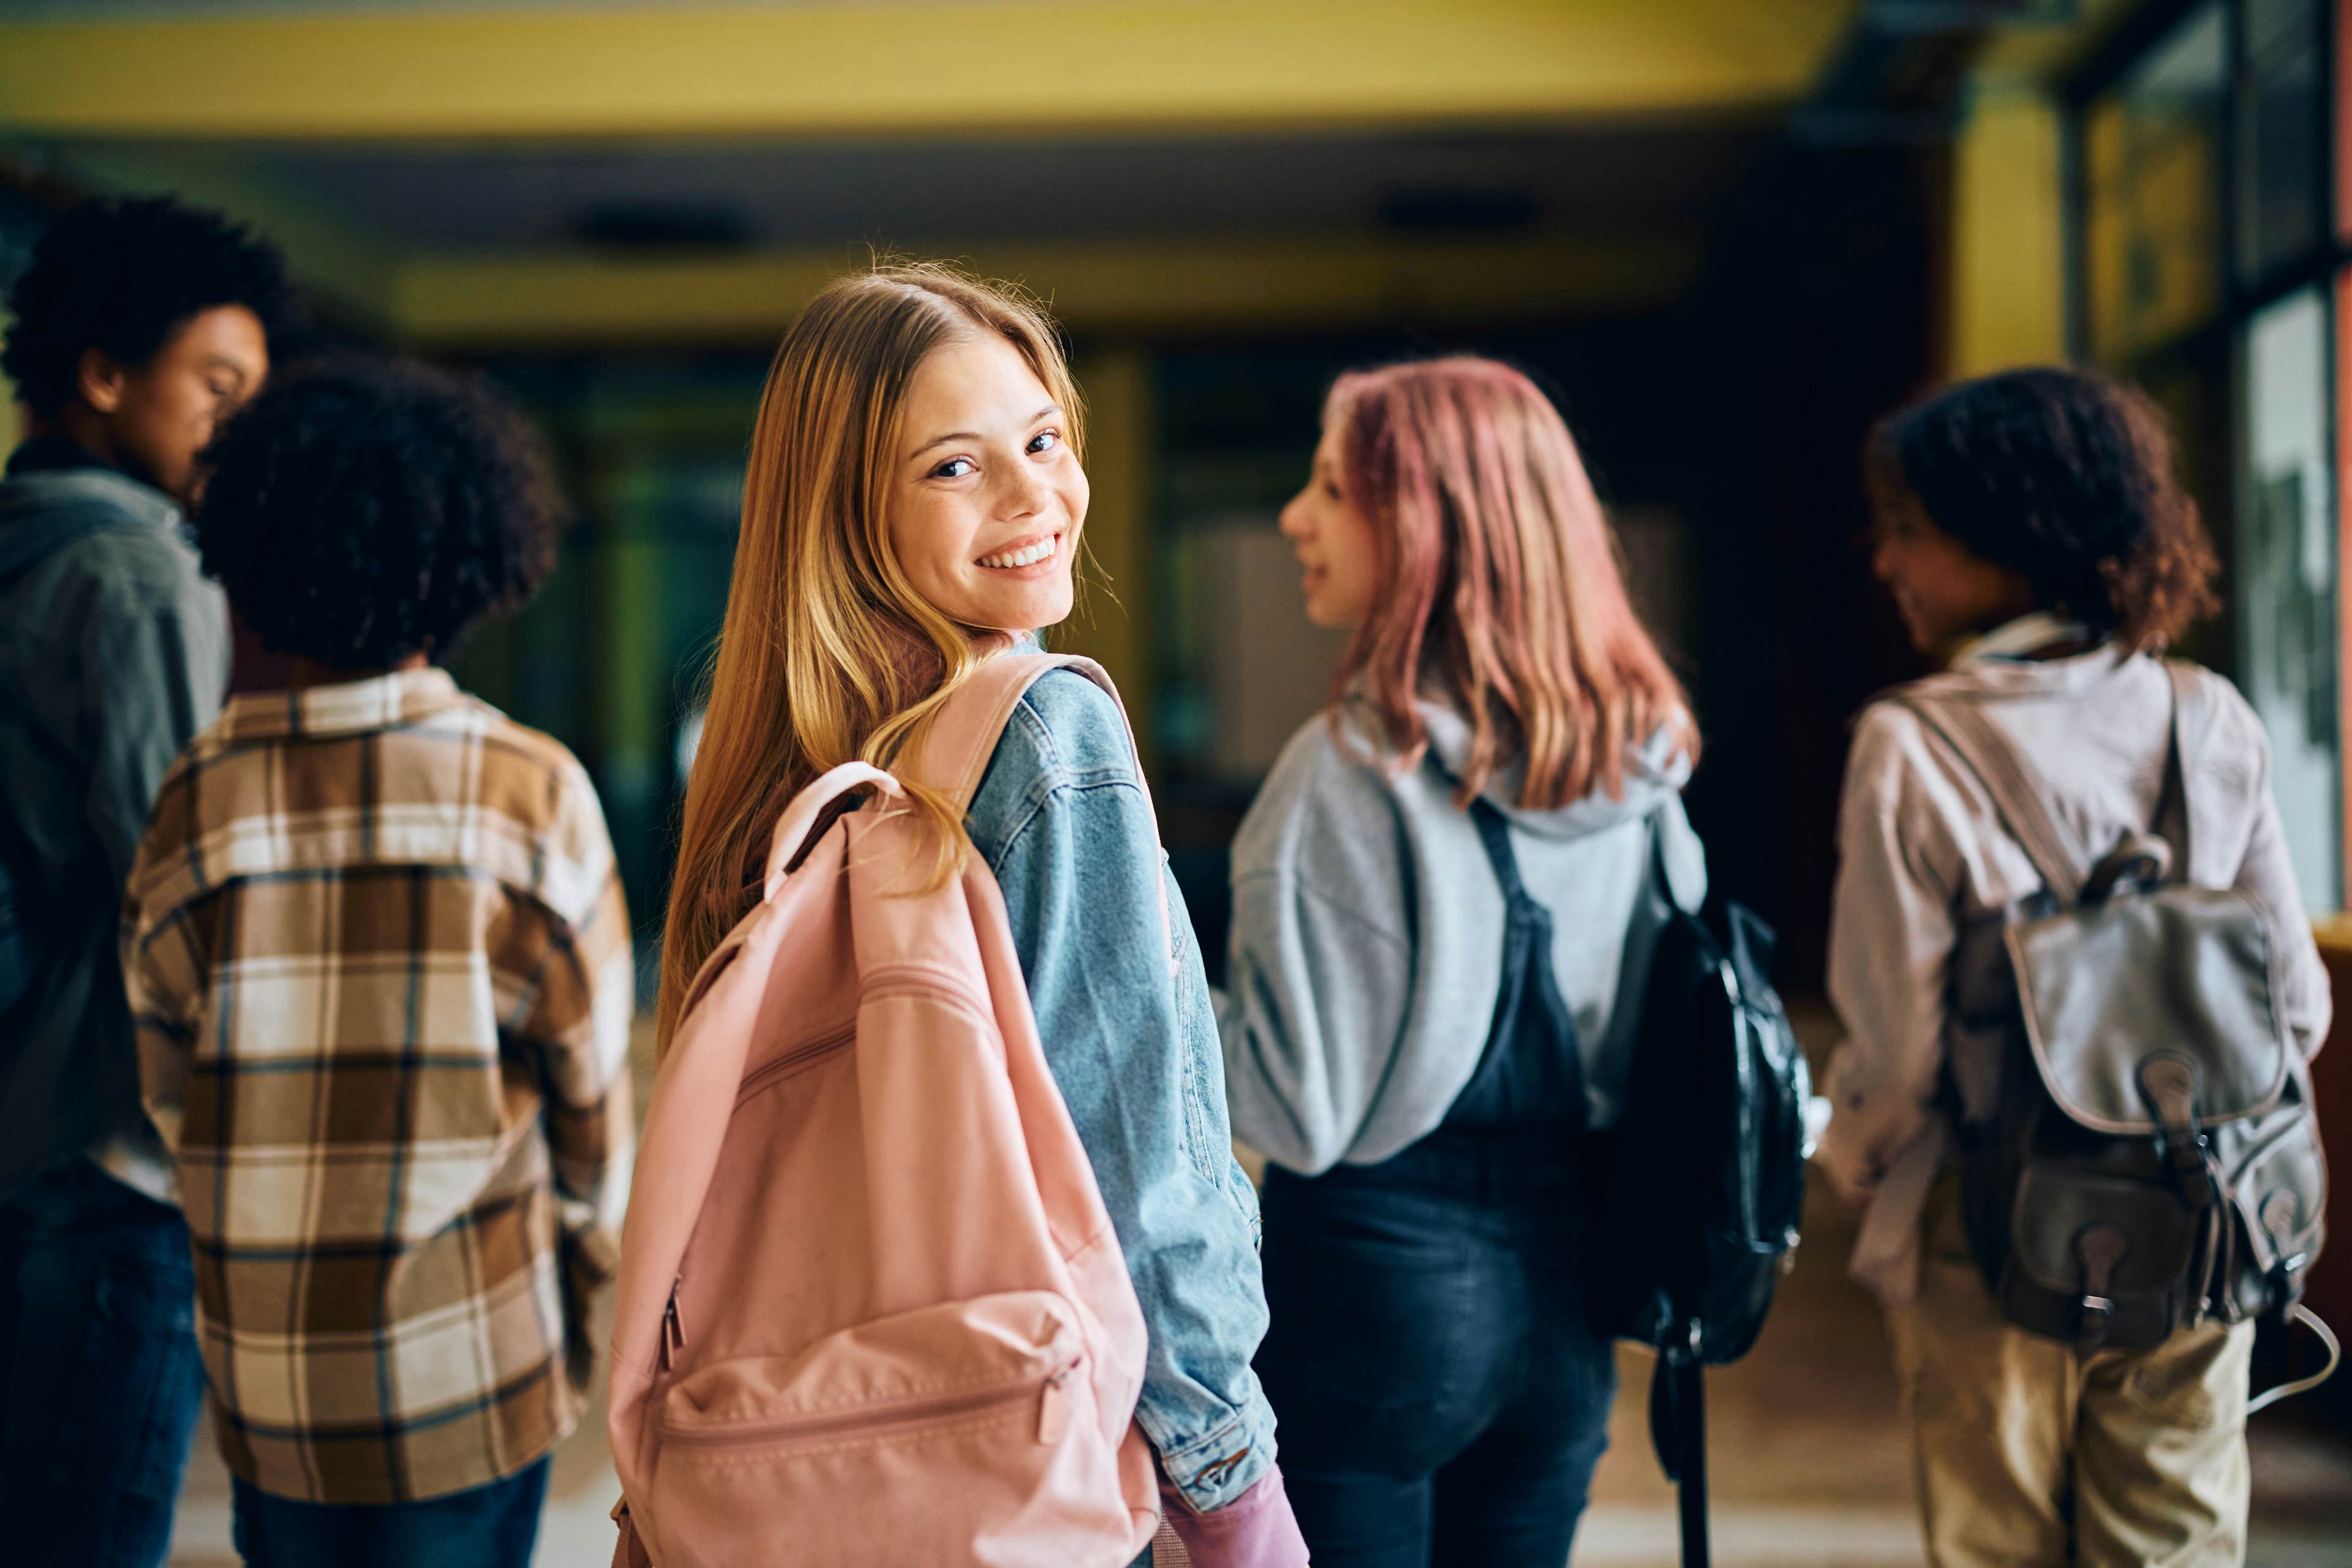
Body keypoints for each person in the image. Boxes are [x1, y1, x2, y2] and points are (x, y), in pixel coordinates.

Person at [655, 263, 1305, 1567]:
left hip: (788, 1462)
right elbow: (1141, 1155)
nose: (1036, 498)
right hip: (1007, 1450)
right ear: (847, 511)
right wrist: (1229, 1476)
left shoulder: (775, 781)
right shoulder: (1044, 729)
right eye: (957, 467)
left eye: (1044, 439)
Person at [121, 358, 635, 1567]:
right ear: (464, 561)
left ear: (248, 551)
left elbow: (162, 1087)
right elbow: (593, 1111)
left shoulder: (198, 794)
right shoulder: (529, 790)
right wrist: (581, 1271)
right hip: (471, 1357)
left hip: (272, 1374)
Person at [1816, 367, 2330, 1568]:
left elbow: (1898, 1051)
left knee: (2000, 1547)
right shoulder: (2208, 715)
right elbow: (2294, 1006)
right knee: (2178, 1540)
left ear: (2011, 535)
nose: (1886, 560)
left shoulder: (1911, 742)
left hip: (1993, 1231)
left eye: (1910, 529)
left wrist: (1854, 1159)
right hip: (2204, 1206)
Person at [1219, 356, 1706, 1568]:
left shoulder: (1347, 772)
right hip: (1570, 1304)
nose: (1297, 516)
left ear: (1424, 522)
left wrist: (1157, 1000)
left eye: (1332, 487)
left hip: (1372, 1298)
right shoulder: (1639, 769)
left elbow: (1298, 1107)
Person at [0, 193, 295, 1568]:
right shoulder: (136, 569)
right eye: (215, 388)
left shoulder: (19, 546)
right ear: (104, 376)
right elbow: (175, 883)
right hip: (108, 1142)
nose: (233, 427)